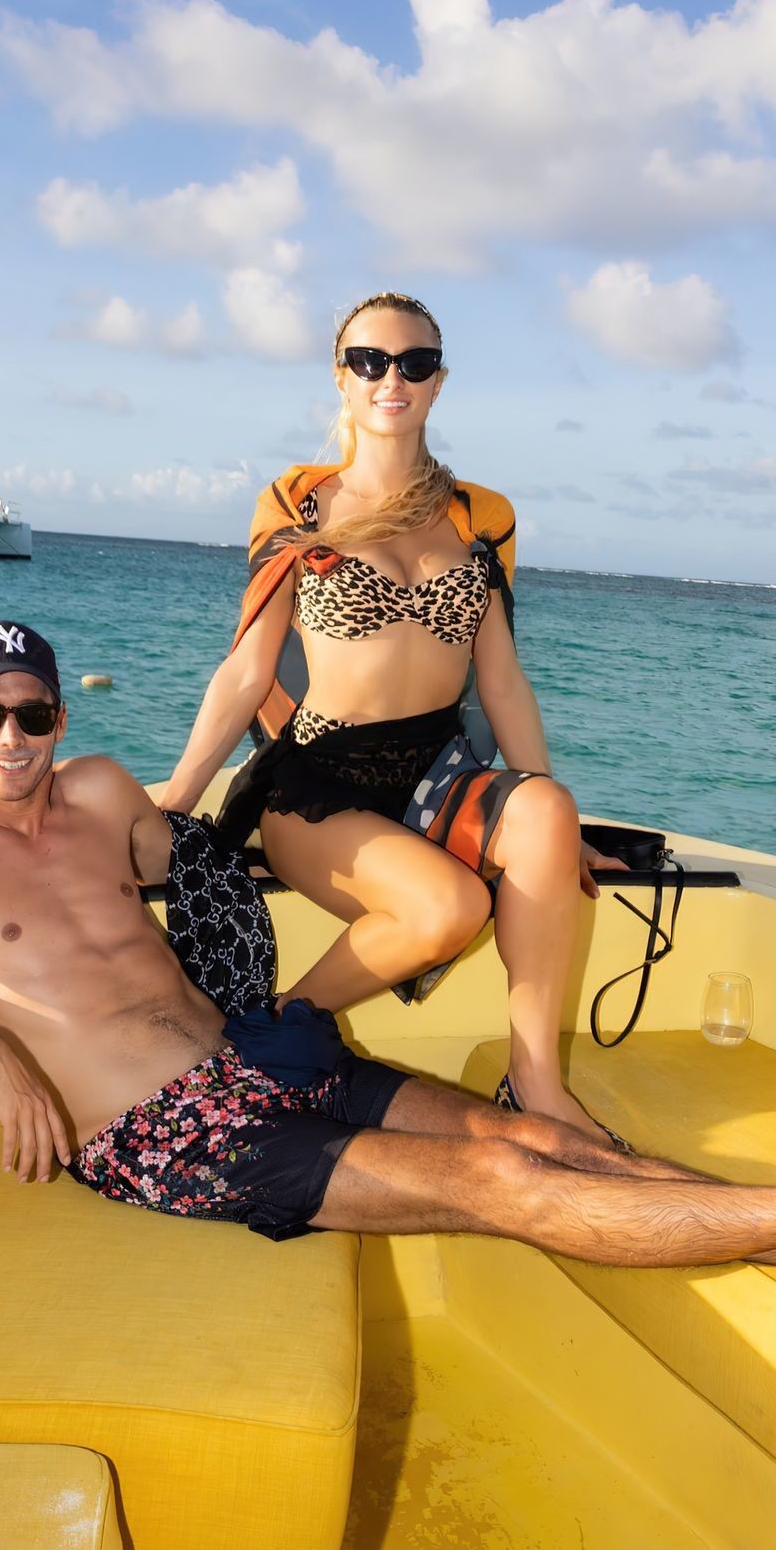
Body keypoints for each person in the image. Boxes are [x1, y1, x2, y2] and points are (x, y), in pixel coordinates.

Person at [0, 618, 776, 1333]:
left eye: (34, 712)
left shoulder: (100, 797)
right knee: (505, 1185)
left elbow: (211, 855)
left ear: (61, 722)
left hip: (254, 1057)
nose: (12, 737)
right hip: (160, 1132)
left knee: (547, 1139)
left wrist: (456, 826)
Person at [159, 291, 628, 1147]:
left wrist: (559, 834)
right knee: (446, 908)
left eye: (414, 363)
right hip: (317, 779)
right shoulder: (299, 505)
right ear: (340, 378)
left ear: (438, 383)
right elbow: (248, 670)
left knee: (548, 813)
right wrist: (178, 802)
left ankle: (536, 1087)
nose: (392, 379)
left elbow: (503, 682)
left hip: (435, 772)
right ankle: (268, 1033)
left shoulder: (481, 516)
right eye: (370, 361)